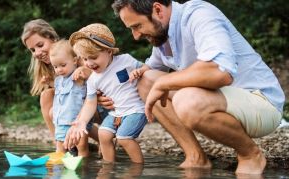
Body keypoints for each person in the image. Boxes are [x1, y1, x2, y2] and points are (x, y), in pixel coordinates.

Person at [110, 0, 285, 175]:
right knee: (145, 81)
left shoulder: (198, 14)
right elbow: (148, 72)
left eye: (137, 26)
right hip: (223, 100)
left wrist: (164, 83)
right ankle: (196, 157)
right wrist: (111, 96)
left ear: (157, 10)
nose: (136, 35)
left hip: (260, 102)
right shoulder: (163, 35)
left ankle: (250, 155)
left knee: (187, 101)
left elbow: (219, 71)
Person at [64, 23, 149, 163]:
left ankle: (138, 168)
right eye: (84, 59)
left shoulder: (125, 61)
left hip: (136, 109)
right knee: (103, 134)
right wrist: (82, 122)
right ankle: (109, 166)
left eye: (93, 57)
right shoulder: (93, 79)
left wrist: (140, 71)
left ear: (109, 51)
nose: (89, 63)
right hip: (117, 112)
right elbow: (90, 103)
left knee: (124, 138)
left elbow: (147, 67)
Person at [21, 19, 100, 143]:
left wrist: (86, 71)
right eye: (32, 50)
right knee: (46, 95)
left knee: (68, 111)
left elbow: (99, 76)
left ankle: (98, 140)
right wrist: (50, 83)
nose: (37, 53)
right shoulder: (51, 67)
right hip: (75, 110)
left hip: (97, 104)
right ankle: (59, 142)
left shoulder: (72, 54)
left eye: (40, 45)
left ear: (52, 37)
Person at [49, 39, 94, 156]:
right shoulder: (58, 80)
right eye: (55, 67)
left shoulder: (78, 76)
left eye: (63, 65)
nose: (59, 69)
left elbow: (92, 75)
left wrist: (82, 70)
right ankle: (58, 169)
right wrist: (48, 82)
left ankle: (84, 166)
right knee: (60, 150)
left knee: (82, 148)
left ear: (74, 61)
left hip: (76, 122)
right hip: (61, 122)